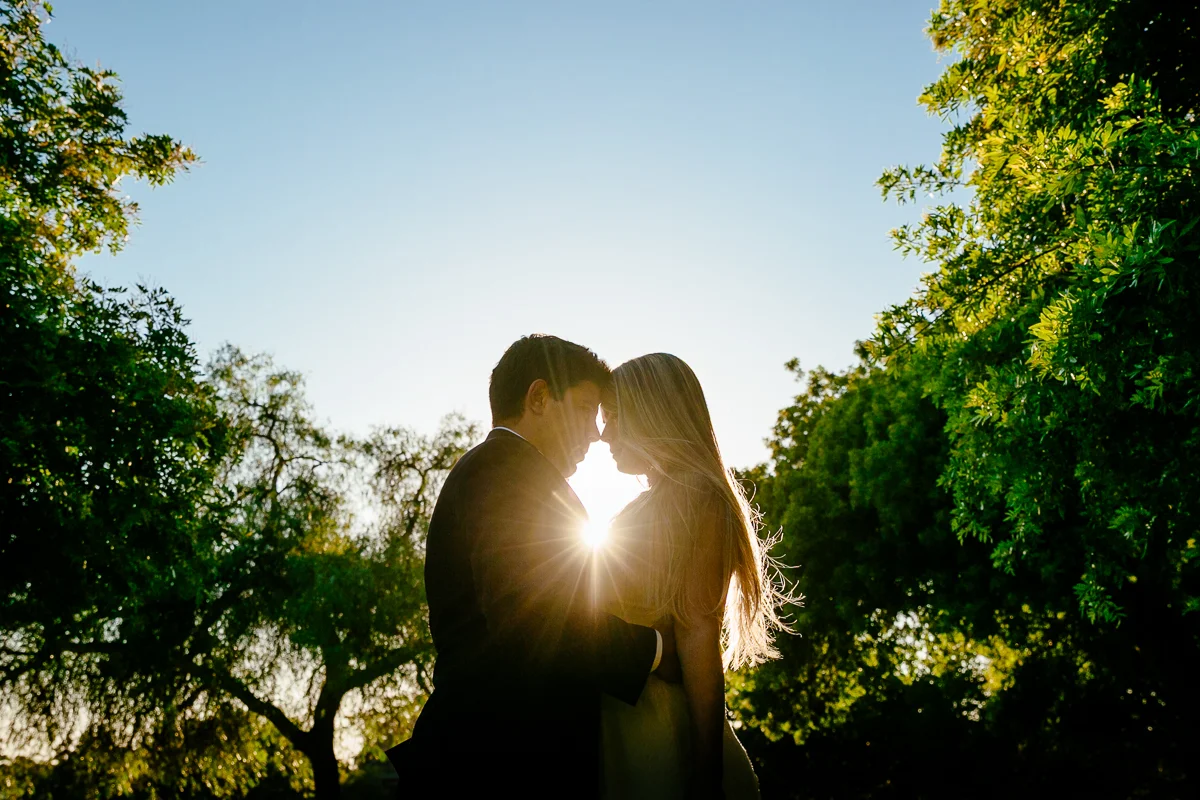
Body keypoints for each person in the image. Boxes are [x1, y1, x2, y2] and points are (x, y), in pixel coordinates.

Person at [386, 334, 678, 797]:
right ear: (539, 398)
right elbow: (536, 620)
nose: (596, 433)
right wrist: (658, 649)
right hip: (498, 762)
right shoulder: (505, 473)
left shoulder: (508, 472)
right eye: (585, 409)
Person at [596, 352, 788, 799]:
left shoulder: (696, 495)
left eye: (615, 416)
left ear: (653, 412)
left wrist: (705, 772)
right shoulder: (655, 501)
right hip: (625, 721)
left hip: (655, 735)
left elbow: (699, 629)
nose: (604, 433)